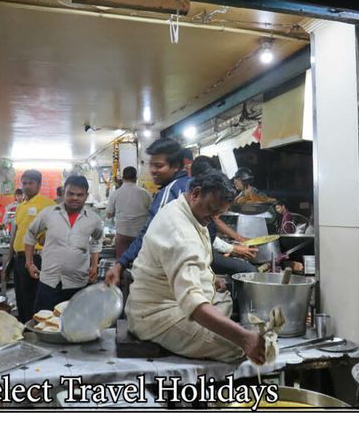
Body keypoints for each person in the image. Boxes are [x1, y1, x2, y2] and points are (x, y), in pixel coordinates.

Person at [127, 171, 267, 364]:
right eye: (211, 210)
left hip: (174, 301)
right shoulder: (180, 234)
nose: (213, 217)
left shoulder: (187, 210)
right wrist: (243, 338)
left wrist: (208, 278)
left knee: (224, 299)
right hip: (158, 316)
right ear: (195, 193)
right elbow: (193, 303)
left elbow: (195, 259)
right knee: (236, 348)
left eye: (219, 214)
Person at [109, 139, 257, 287]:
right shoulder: (178, 192)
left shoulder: (183, 191)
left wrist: (209, 275)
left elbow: (203, 230)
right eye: (151, 165)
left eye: (159, 165)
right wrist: (121, 263)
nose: (153, 170)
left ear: (176, 167)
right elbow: (148, 234)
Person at [22, 175, 105, 314]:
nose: (75, 198)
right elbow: (30, 234)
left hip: (77, 284)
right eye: (70, 193)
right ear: (63, 193)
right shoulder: (48, 214)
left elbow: (97, 240)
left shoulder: (93, 219)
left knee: (75, 327)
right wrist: (29, 263)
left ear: (86, 195)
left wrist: (94, 265)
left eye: (80, 195)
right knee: (44, 323)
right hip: (49, 282)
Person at [8, 171, 57, 321]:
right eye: (24, 183)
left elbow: (58, 228)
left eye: (31, 183)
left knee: (34, 298)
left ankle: (35, 330)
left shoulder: (48, 204)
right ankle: (23, 329)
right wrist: (10, 258)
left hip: (37, 258)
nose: (27, 186)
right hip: (19, 258)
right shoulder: (21, 206)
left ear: (39, 185)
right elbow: (15, 232)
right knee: (21, 297)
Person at [106, 166, 152, 263]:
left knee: (121, 262)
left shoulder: (115, 194)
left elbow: (109, 214)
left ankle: (120, 276)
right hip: (139, 235)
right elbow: (152, 213)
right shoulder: (145, 193)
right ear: (136, 178)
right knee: (139, 262)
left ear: (122, 178)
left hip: (122, 234)